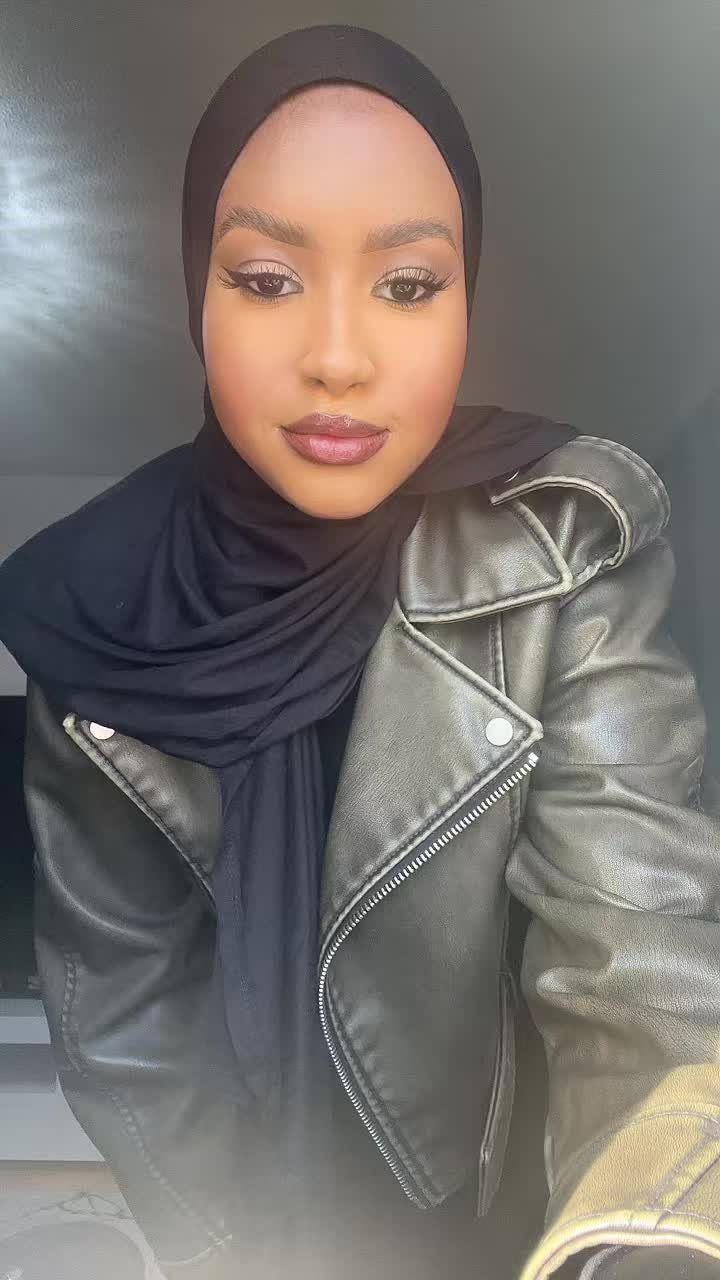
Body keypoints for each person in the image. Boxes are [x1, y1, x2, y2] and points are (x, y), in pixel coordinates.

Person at [1, 22, 719, 1280]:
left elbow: (640, 957)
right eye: (266, 278)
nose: (338, 358)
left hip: (512, 1228)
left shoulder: (563, 551)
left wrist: (646, 1231)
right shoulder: (95, 610)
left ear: (468, 296)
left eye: (408, 285)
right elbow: (124, 1025)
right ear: (195, 289)